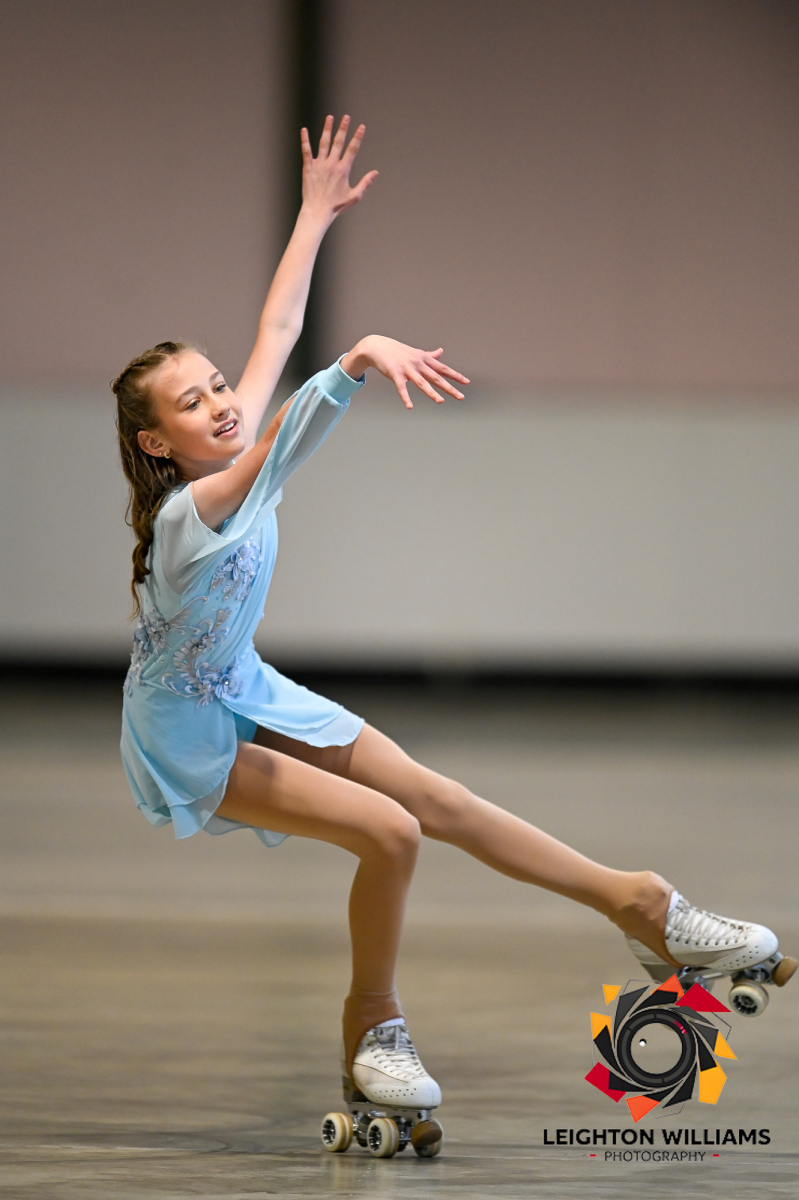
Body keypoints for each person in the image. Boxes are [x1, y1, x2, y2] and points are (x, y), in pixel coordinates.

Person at [113, 117, 790, 1122]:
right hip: (185, 729)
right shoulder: (189, 511)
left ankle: (640, 903)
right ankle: (371, 1030)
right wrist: (357, 359)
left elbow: (275, 333)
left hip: (241, 684)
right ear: (156, 442)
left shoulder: (231, 444)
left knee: (440, 800)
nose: (220, 402)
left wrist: (312, 216)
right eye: (191, 403)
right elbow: (285, 437)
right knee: (390, 833)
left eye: (216, 386)